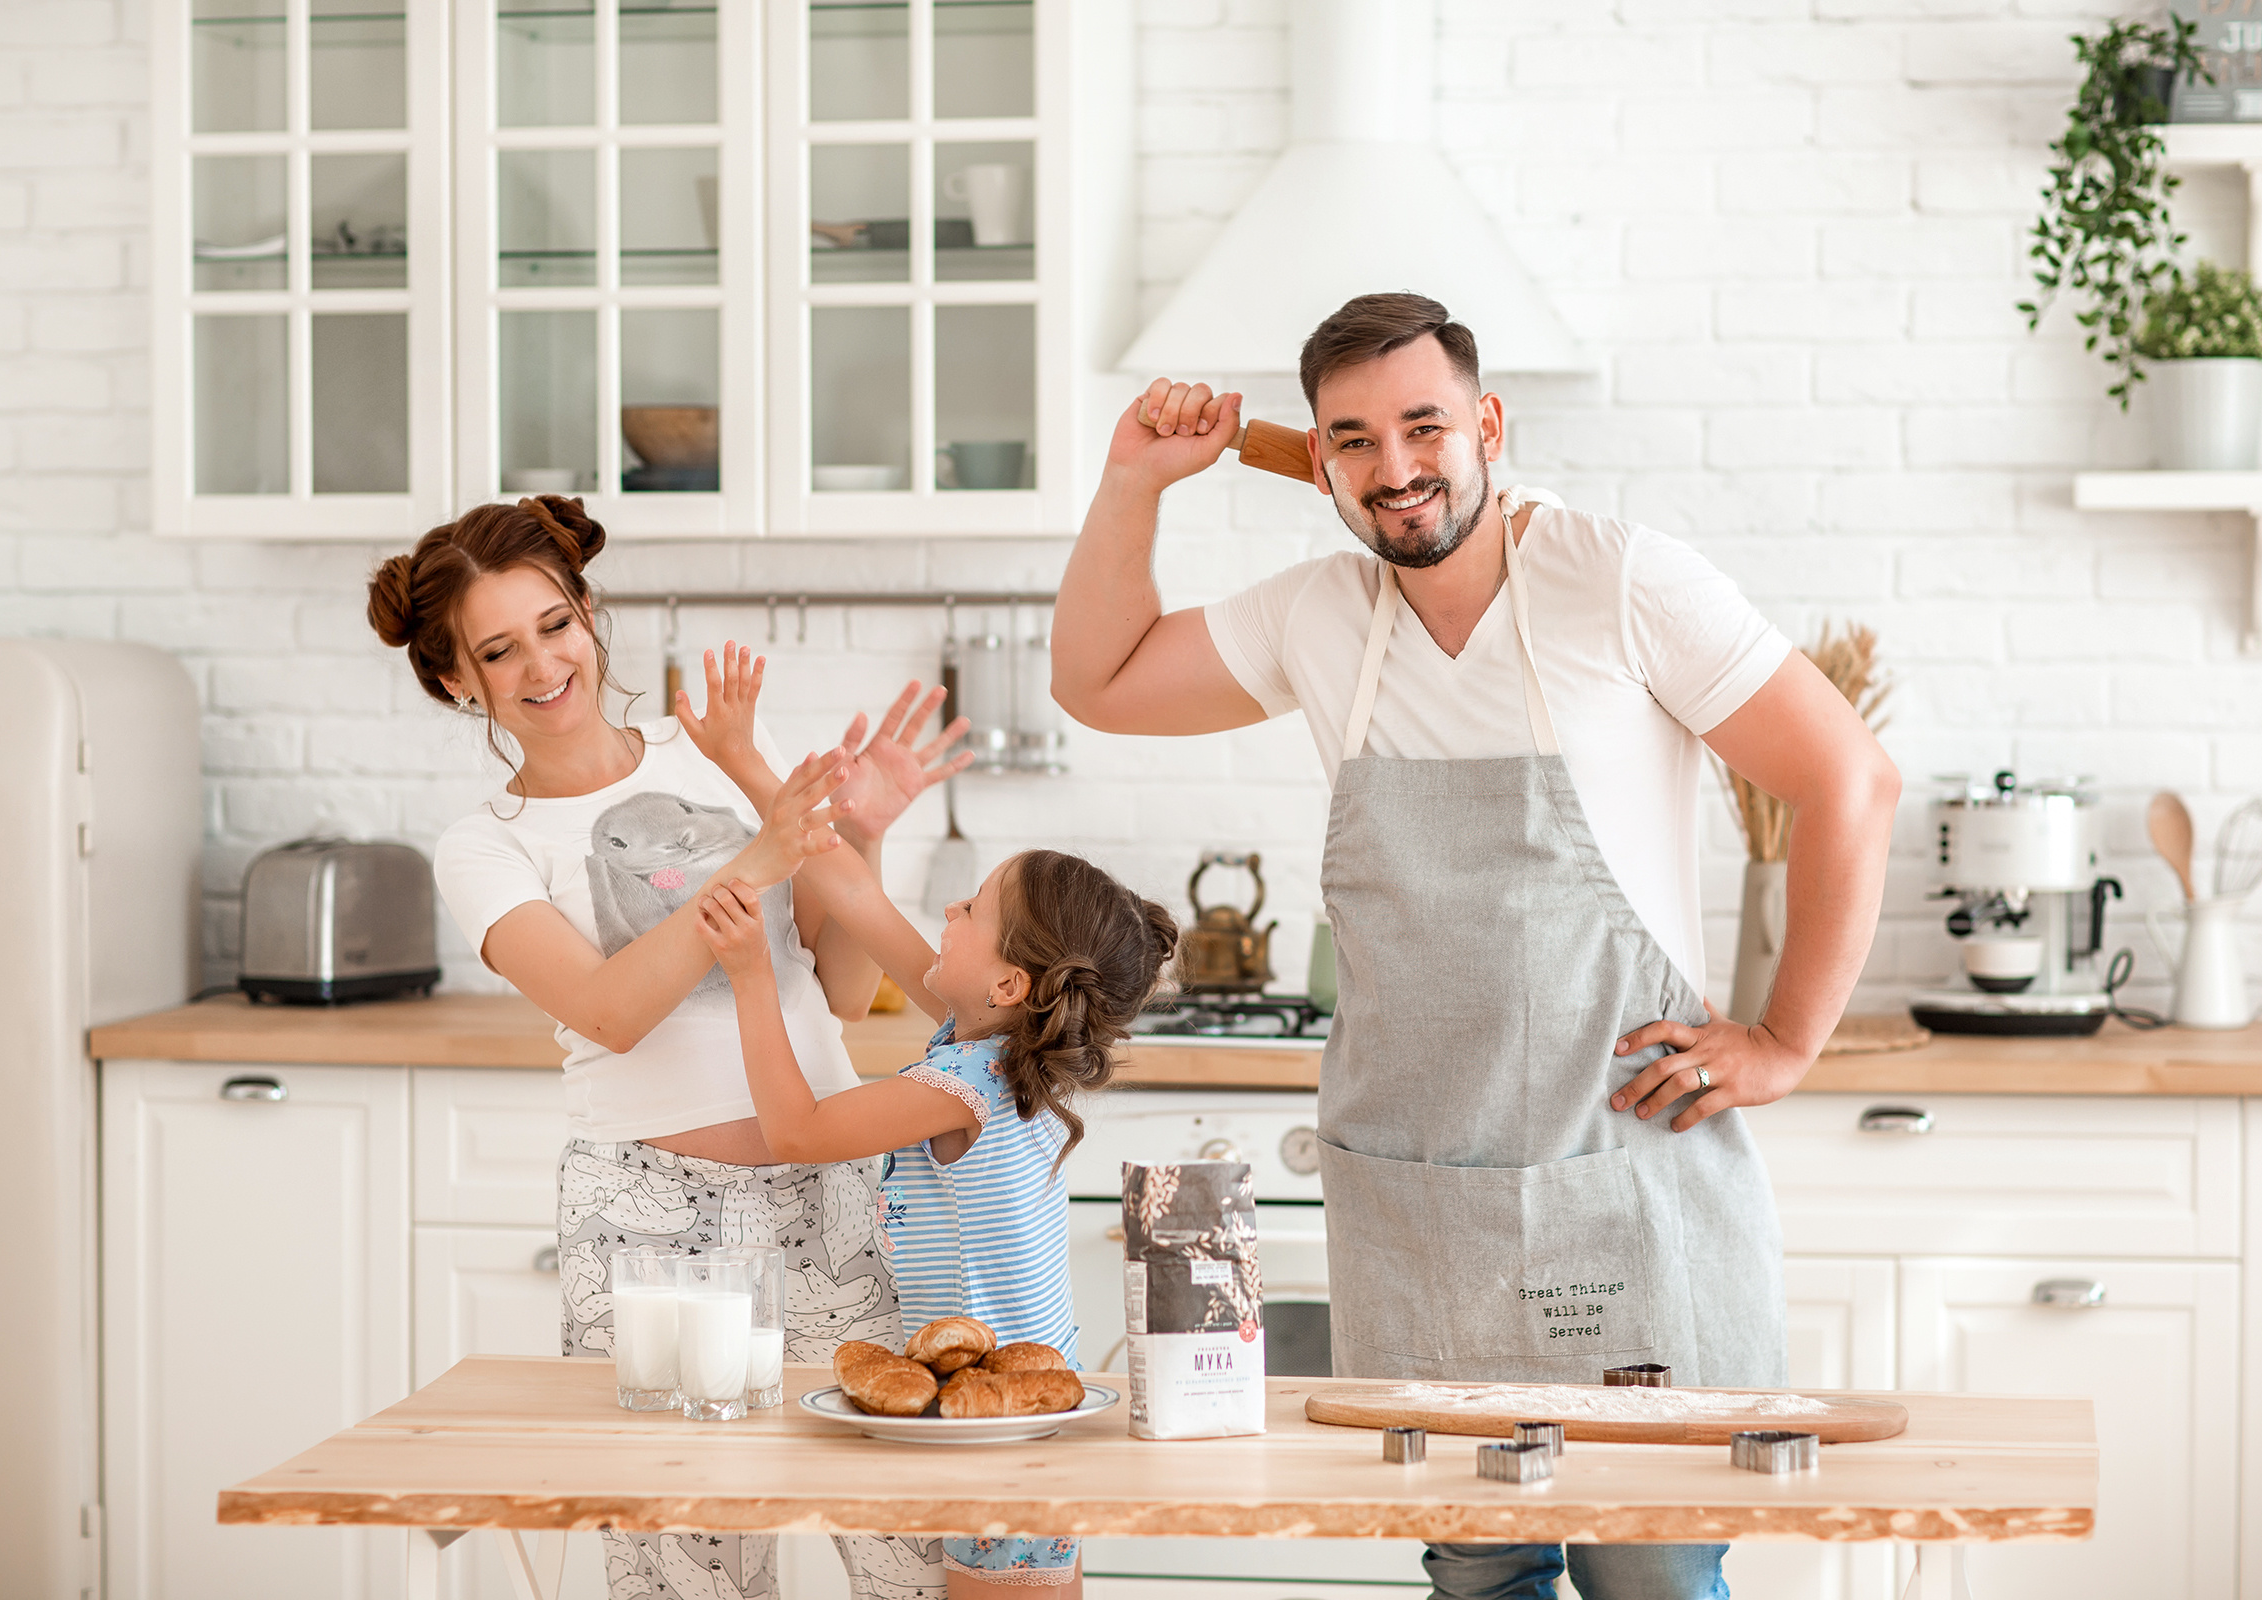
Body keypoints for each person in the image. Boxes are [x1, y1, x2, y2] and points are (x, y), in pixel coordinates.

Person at [1048, 294, 1901, 1600]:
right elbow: (1096, 680)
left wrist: (1787, 1041)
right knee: (1478, 1579)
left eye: (1424, 425)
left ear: (1487, 422)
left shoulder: (1615, 581)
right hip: (1427, 1203)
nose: (1396, 470)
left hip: (1620, 1178)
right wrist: (1133, 483)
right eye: (1353, 440)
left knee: (1656, 1579)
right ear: (1321, 461)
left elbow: (1850, 777)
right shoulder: (1319, 619)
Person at [367, 494, 971, 1600]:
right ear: (459, 681)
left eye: (555, 625)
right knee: (688, 1567)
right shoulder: (485, 844)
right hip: (649, 1216)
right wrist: (759, 854)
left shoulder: (718, 751)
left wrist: (863, 841)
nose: (542, 663)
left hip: (828, 1185)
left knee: (908, 1550)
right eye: (499, 650)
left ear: (589, 614)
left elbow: (833, 987)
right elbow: (608, 1010)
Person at [680, 646, 1178, 1600]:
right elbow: (857, 895)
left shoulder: (960, 1086)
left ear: (1009, 982)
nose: (946, 906)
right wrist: (747, 765)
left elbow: (795, 1129)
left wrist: (752, 977)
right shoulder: (991, 1043)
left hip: (998, 1426)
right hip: (1023, 1409)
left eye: (972, 906)